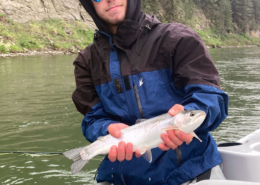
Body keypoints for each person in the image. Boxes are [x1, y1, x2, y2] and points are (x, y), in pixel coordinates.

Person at [72, 0, 229, 184]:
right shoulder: (86, 62)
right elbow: (92, 119)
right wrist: (107, 129)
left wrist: (195, 109)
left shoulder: (178, 39)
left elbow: (211, 97)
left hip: (191, 171)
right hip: (119, 177)